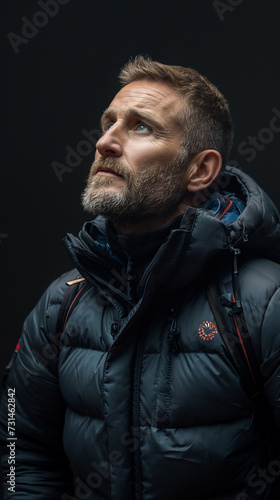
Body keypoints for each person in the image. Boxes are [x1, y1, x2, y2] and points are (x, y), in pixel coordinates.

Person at [1, 55, 280, 500]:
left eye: (141, 127)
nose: (106, 143)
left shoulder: (264, 302)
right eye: (108, 123)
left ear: (200, 170)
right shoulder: (62, 302)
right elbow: (20, 451)